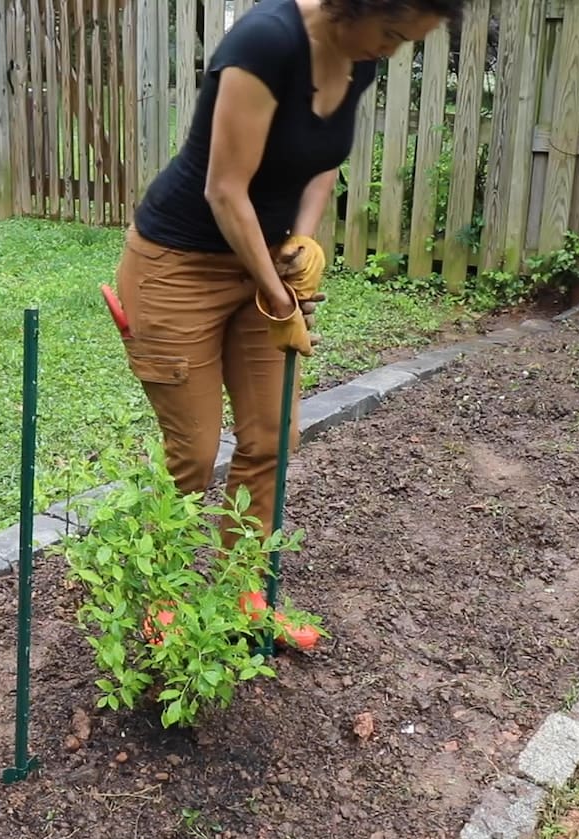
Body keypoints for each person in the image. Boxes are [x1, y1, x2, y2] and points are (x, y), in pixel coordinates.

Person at [114, 0, 463, 547]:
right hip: (178, 265)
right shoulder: (265, 43)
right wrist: (281, 301)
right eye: (392, 32)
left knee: (272, 438)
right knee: (194, 457)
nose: (392, 51)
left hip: (264, 261)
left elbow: (324, 158)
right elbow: (224, 189)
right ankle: (163, 597)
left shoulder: (359, 53)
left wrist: (298, 245)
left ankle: (241, 595)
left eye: (406, 41)